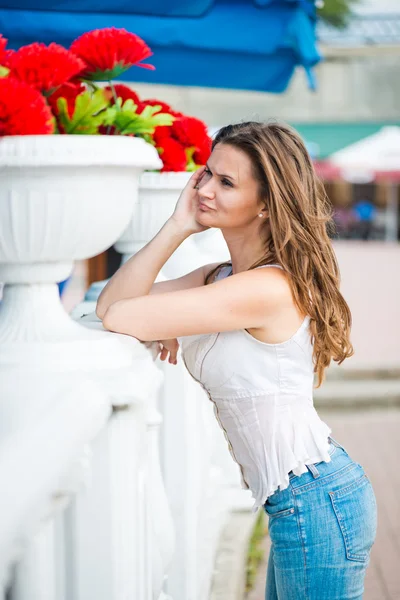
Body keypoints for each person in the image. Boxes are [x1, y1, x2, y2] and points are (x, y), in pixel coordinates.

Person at [96, 121, 377, 599]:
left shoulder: (267, 288)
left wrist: (162, 319)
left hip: (314, 500)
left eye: (226, 182)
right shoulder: (221, 277)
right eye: (205, 173)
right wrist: (178, 225)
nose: (204, 189)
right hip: (301, 501)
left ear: (266, 203)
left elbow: (123, 314)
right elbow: (111, 307)